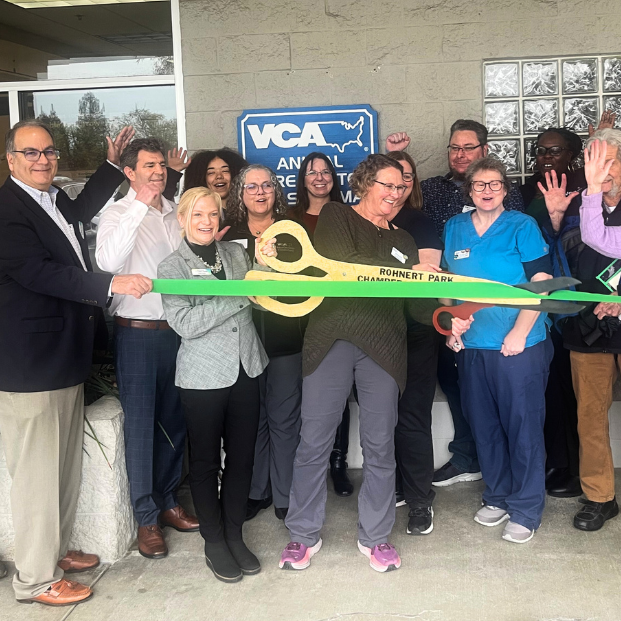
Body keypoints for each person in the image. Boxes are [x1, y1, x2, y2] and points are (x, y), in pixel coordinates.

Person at [279, 154, 461, 573]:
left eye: (401, 188)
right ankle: (303, 534)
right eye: (387, 185)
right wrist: (412, 273)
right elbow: (348, 268)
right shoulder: (336, 217)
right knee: (314, 441)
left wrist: (448, 317)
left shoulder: (405, 241)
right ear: (364, 183)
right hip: (333, 339)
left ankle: (376, 536)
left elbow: (416, 306)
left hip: (385, 346)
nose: (395, 195)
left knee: (380, 446)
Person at [0, 120, 152, 606]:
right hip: (30, 366)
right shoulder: (6, 211)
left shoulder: (50, 199)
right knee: (38, 479)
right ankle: (35, 581)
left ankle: (55, 553)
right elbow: (37, 272)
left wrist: (111, 165)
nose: (42, 160)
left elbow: (82, 210)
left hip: (62, 359)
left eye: (49, 152)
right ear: (10, 159)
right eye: (30, 153)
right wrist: (110, 284)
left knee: (63, 471)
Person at [387, 120, 525, 488]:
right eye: (454, 148)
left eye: (468, 147)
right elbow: (398, 201)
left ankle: (501, 463)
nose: (460, 154)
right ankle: (468, 456)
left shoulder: (504, 194)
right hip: (441, 307)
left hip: (499, 318)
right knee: (454, 382)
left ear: (484, 149)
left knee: (500, 396)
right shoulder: (430, 190)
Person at [158, 186, 276, 582]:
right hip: (202, 376)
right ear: (182, 220)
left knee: (242, 458)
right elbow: (186, 324)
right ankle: (213, 541)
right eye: (197, 215)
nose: (207, 222)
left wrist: (270, 269)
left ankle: (234, 534)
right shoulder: (171, 267)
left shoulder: (237, 254)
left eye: (212, 214)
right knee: (206, 463)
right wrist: (238, 296)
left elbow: (260, 297)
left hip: (247, 368)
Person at [96, 138, 199, 560]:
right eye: (149, 166)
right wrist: (140, 204)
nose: (157, 171)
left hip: (178, 331)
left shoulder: (177, 214)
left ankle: (169, 501)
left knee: (175, 422)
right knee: (141, 427)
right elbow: (107, 263)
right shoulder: (116, 213)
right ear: (130, 172)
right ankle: (146, 518)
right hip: (137, 333)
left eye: (161, 165)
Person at [443, 156, 554, 544]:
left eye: (494, 184)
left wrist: (521, 331)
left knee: (522, 427)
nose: (486, 191)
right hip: (474, 345)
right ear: (469, 190)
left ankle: (525, 508)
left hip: (518, 345)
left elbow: (541, 282)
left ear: (505, 189)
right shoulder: (454, 228)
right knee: (484, 425)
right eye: (479, 185)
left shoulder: (522, 226)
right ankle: (498, 495)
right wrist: (452, 325)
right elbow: (447, 284)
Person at [223, 164, 304, 521]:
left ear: (276, 191)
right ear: (240, 194)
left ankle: (285, 495)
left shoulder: (292, 234)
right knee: (252, 420)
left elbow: (306, 282)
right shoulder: (228, 236)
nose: (260, 192)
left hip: (287, 339)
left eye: (266, 186)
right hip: (242, 341)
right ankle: (257, 491)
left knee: (284, 420)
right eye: (251, 187)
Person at [558, 130, 621, 531]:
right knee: (590, 418)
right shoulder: (579, 208)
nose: (603, 171)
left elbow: (600, 238)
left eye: (611, 161)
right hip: (590, 329)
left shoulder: (591, 205)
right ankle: (600, 496)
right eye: (595, 162)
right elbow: (559, 254)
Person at [521, 128, 584, 498]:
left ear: (572, 154)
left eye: (555, 150)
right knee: (550, 391)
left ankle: (575, 469)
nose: (546, 156)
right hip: (541, 307)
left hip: (578, 306)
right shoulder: (528, 190)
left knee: (574, 391)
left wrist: (559, 218)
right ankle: (557, 462)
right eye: (540, 150)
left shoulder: (584, 186)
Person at [385, 150, 443, 535]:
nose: (398, 186)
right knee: (382, 419)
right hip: (376, 334)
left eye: (405, 177)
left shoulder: (420, 222)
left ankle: (421, 499)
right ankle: (394, 487)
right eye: (390, 180)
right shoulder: (363, 222)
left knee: (413, 419)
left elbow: (425, 277)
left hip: (418, 333)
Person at [290, 152, 354, 497]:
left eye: (325, 171)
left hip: (338, 315)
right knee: (307, 394)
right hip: (300, 317)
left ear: (333, 177)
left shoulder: (348, 215)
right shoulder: (291, 218)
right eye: (312, 172)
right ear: (303, 179)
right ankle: (308, 466)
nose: (319, 177)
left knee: (339, 394)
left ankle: (338, 464)